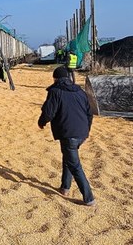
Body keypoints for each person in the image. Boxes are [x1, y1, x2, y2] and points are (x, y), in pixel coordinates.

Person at [38, 66, 95, 206]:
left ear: (55, 78)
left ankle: (89, 198)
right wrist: (86, 130)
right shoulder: (80, 91)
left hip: (68, 133)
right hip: (81, 133)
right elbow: (89, 113)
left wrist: (42, 122)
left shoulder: (55, 91)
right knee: (68, 157)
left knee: (75, 165)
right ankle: (65, 187)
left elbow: (49, 112)